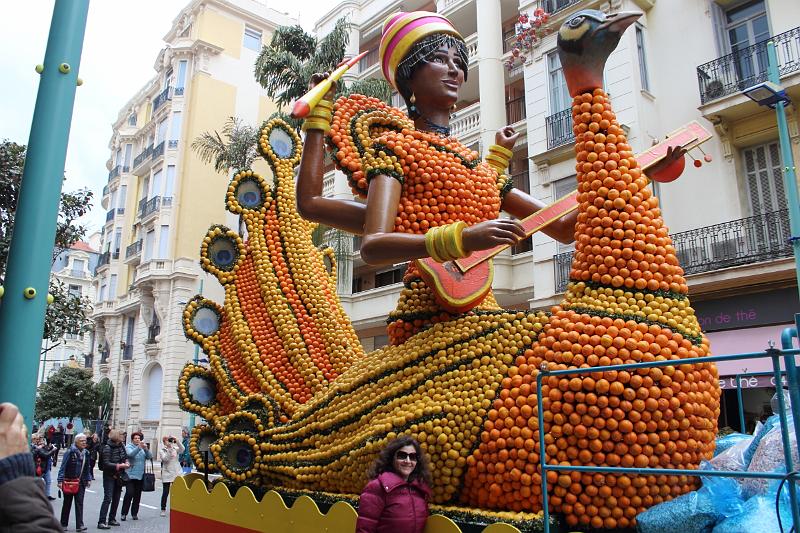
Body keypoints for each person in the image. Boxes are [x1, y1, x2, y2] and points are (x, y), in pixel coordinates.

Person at [0, 402, 64, 532]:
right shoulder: (35, 449)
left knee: (47, 482)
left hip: (43, 470)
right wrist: (17, 474)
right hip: (37, 471)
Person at [356, 436, 432, 533]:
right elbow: (364, 529)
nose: (408, 461)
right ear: (392, 458)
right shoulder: (377, 487)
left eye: (412, 457)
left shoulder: (419, 490)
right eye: (402, 455)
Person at [57, 434, 92, 531]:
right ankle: (63, 524)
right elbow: (63, 467)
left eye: (85, 441)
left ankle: (79, 525)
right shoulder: (70, 452)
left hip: (81, 481)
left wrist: (88, 478)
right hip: (69, 481)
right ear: (76, 442)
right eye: (81, 441)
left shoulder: (86, 453)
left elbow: (87, 468)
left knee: (79, 503)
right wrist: (60, 480)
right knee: (67, 503)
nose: (84, 442)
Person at [97, 429, 129, 529]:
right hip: (109, 475)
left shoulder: (121, 446)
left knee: (116, 498)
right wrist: (119, 465)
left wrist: (126, 462)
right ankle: (101, 521)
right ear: (116, 436)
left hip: (119, 475)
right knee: (108, 498)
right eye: (121, 435)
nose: (123, 436)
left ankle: (112, 518)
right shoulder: (107, 447)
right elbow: (106, 463)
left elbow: (125, 456)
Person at [120, 431, 152, 521]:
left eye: (139, 438)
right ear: (132, 439)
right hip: (130, 475)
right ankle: (124, 513)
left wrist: (146, 449)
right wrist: (139, 447)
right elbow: (130, 455)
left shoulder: (142, 448)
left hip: (140, 475)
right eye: (135, 438)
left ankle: (134, 513)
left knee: (137, 495)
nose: (137, 440)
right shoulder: (128, 447)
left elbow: (149, 456)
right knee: (129, 494)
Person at [158, 434, 184, 516]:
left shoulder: (175, 449)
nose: (168, 442)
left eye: (169, 440)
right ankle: (163, 509)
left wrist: (177, 440)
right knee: (165, 492)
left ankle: (177, 508)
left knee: (177, 492)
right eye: (166, 441)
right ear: (164, 442)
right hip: (167, 473)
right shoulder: (162, 450)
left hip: (176, 472)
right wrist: (169, 449)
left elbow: (182, 449)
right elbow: (165, 459)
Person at [31, 434, 58, 500]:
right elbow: (45, 455)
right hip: (40, 468)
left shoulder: (41, 446)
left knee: (48, 481)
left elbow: (47, 451)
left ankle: (47, 496)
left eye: (40, 439)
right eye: (36, 439)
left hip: (46, 467)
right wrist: (53, 450)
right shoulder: (34, 447)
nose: (38, 440)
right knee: (37, 483)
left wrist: (50, 448)